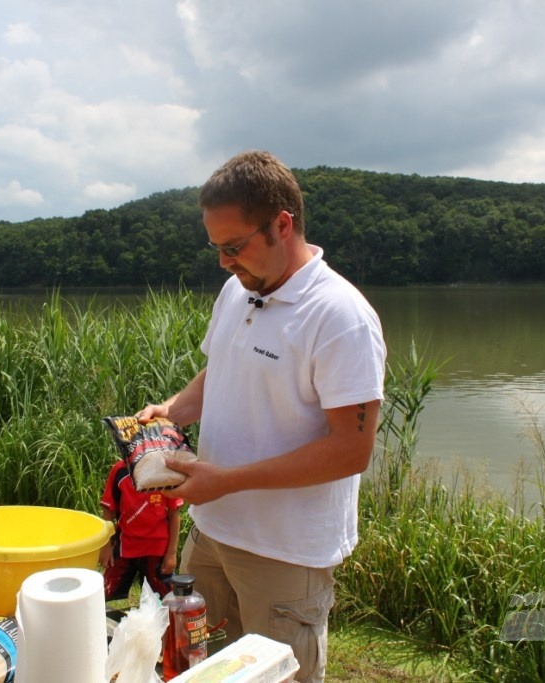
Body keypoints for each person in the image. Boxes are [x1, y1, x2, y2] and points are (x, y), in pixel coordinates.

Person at [135, 150, 386, 683]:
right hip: (211, 537)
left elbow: (351, 449)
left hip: (284, 555)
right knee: (191, 668)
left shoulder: (340, 317)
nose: (224, 262)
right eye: (216, 248)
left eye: (234, 247)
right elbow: (220, 369)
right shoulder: (239, 290)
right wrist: (174, 409)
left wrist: (226, 482)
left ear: (283, 224)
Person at [98, 457, 182, 600]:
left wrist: (172, 554)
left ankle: (162, 621)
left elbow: (175, 514)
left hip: (157, 549)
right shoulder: (120, 471)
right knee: (103, 594)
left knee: (168, 601)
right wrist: (105, 546)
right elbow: (108, 512)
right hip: (126, 547)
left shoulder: (165, 472)